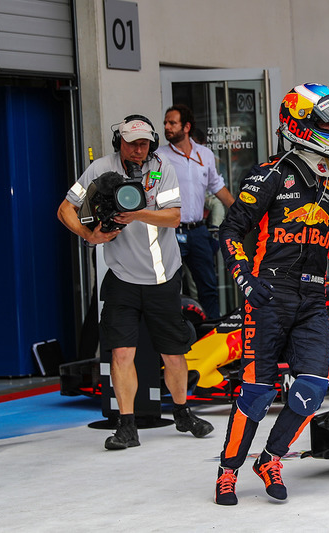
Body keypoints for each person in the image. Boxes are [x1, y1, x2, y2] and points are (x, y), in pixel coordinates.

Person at [214, 83, 329, 505]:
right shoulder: (270, 174)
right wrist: (245, 280)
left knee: (312, 387)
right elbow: (231, 229)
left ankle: (270, 458)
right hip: (268, 295)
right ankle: (228, 470)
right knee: (257, 393)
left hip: (312, 298)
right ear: (300, 125)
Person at [57, 114, 214, 450]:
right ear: (120, 141)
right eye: (131, 142)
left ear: (151, 144)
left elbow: (174, 217)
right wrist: (90, 234)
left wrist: (136, 212)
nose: (137, 149)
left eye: (144, 143)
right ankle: (126, 426)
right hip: (122, 279)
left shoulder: (164, 168)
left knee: (173, 354)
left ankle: (183, 412)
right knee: (121, 353)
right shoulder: (101, 168)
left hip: (162, 277)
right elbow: (65, 209)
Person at [159, 104, 234, 319]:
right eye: (166, 123)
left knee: (208, 286)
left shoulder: (205, 154)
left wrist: (241, 212)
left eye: (172, 123)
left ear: (186, 126)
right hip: (171, 231)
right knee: (171, 287)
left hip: (198, 231)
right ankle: (175, 335)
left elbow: (217, 186)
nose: (167, 127)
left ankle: (211, 331)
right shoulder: (160, 156)